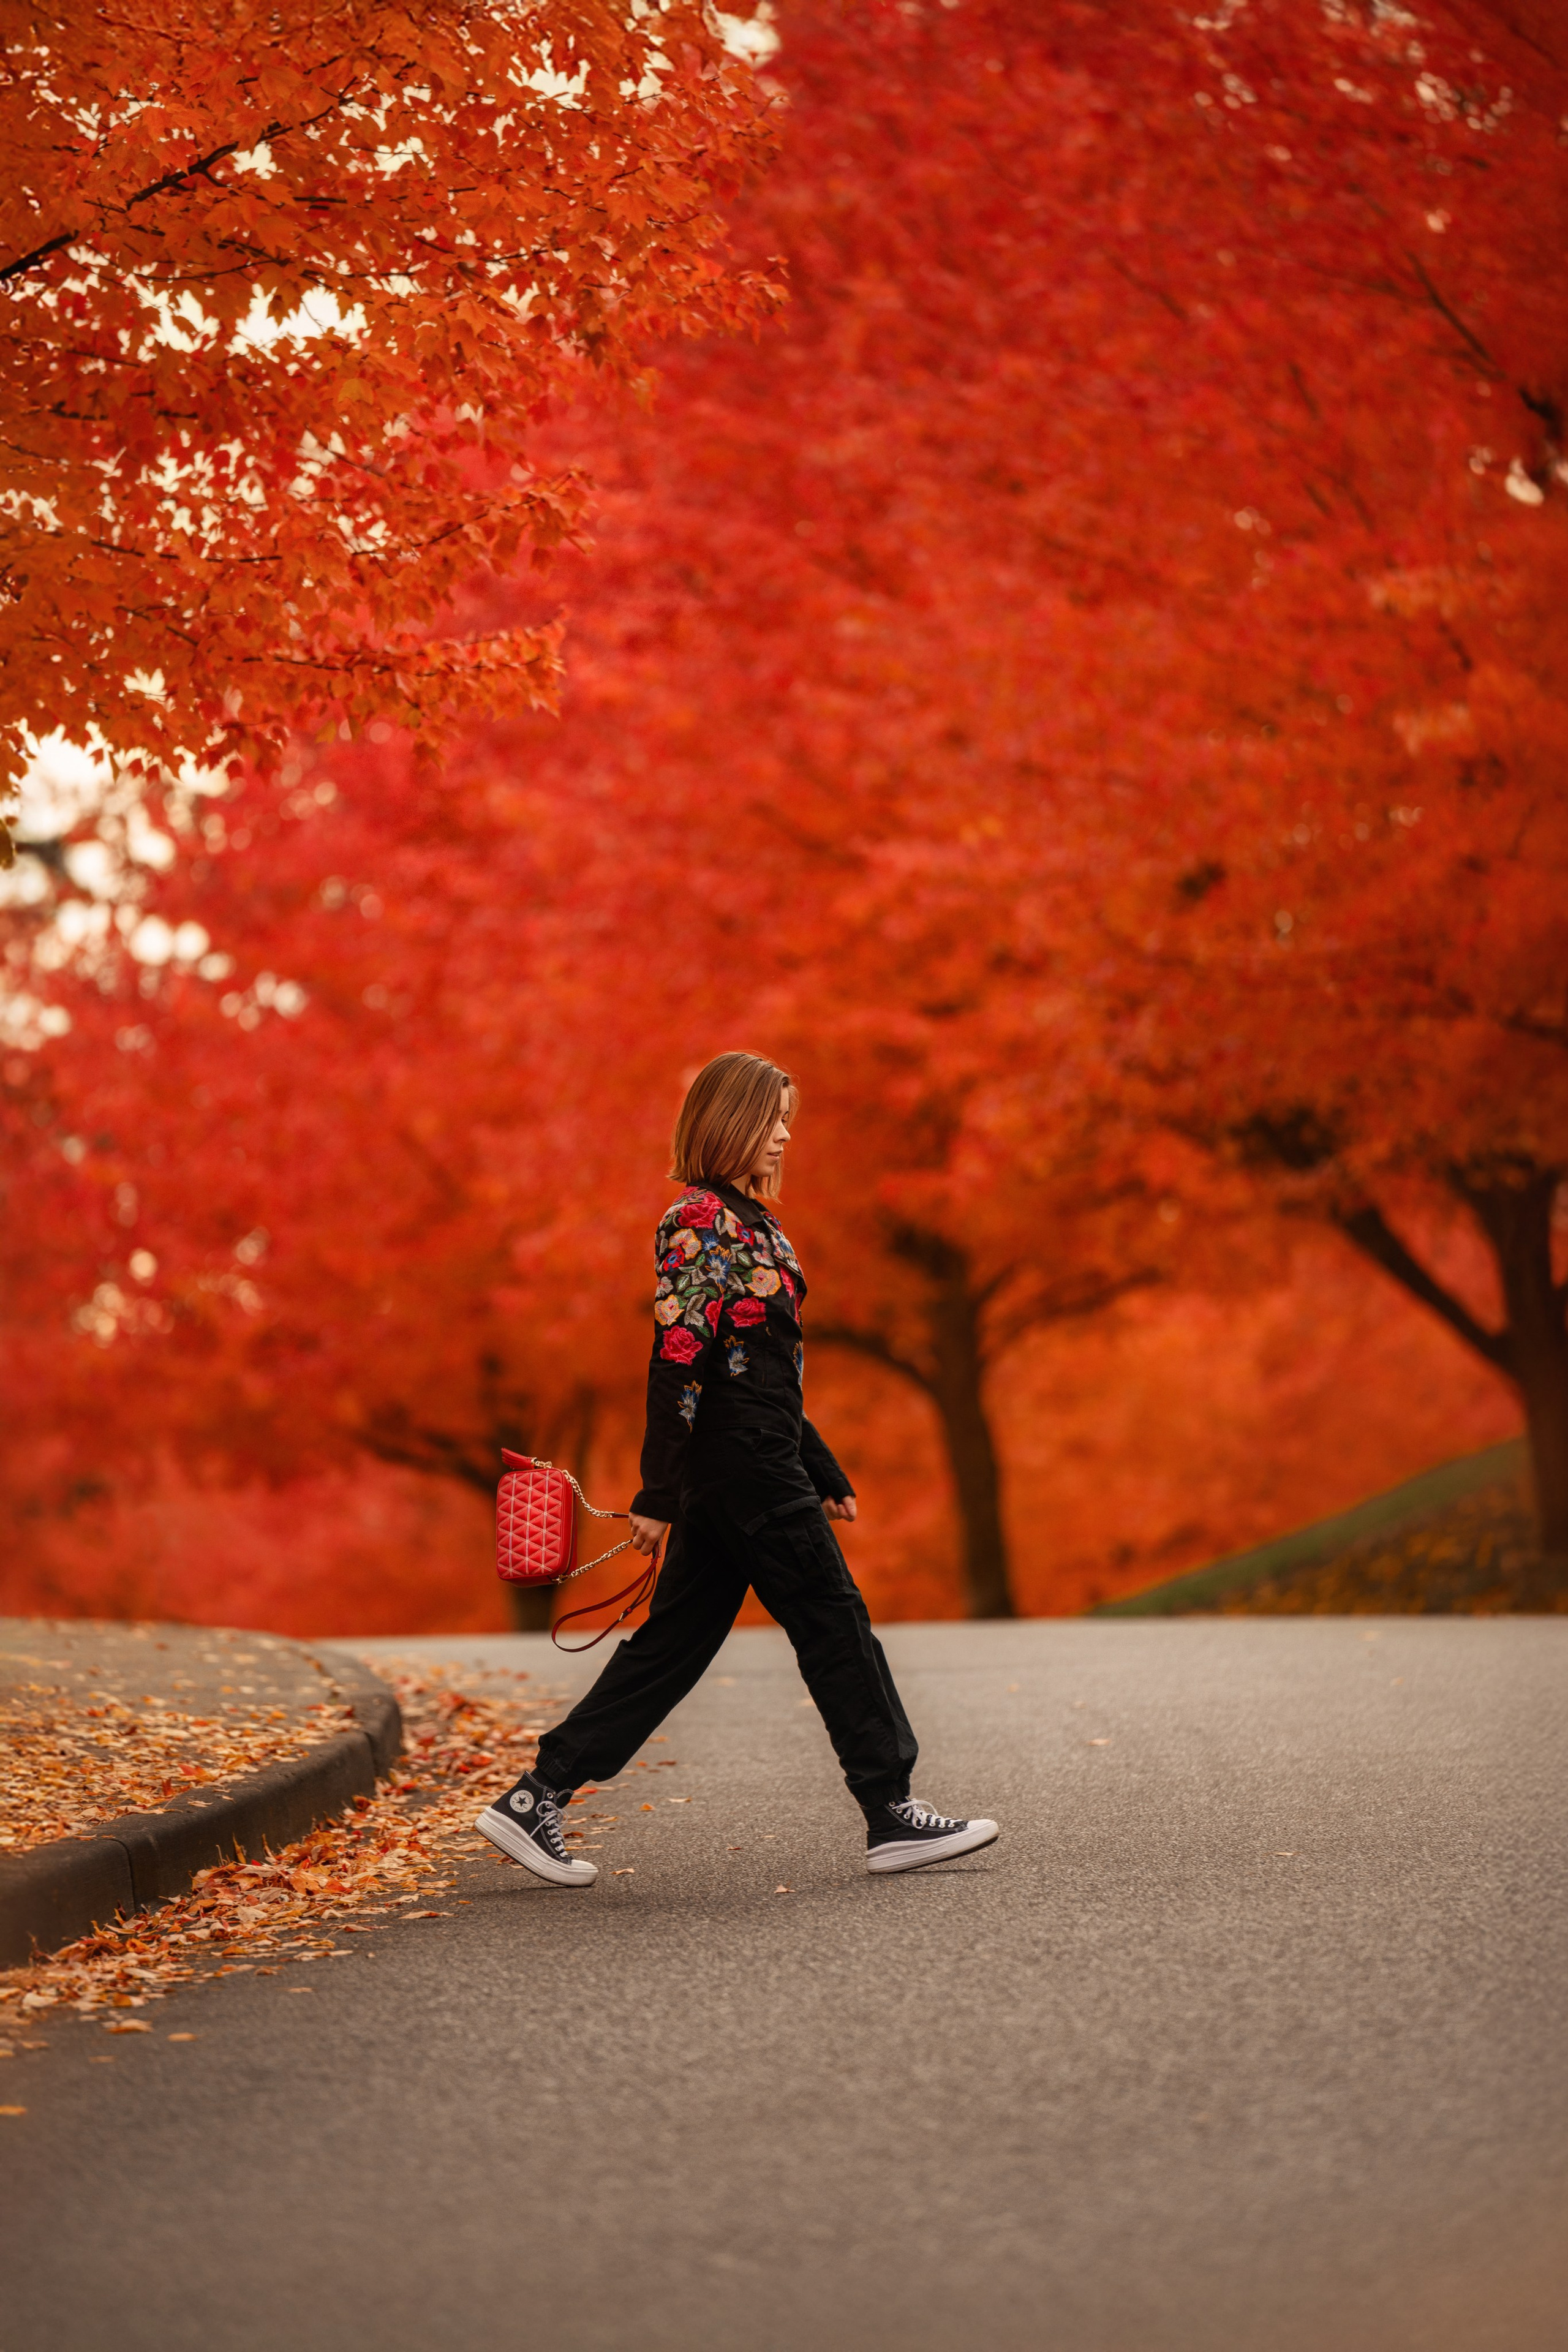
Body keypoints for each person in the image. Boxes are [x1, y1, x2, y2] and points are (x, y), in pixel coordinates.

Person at [475, 1050, 1000, 1887]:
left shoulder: (755, 1226)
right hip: (742, 1473)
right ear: (731, 1123)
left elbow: (763, 1368)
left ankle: (536, 1798)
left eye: (789, 1117)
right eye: (773, 1117)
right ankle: (890, 1811)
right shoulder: (697, 1220)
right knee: (834, 1622)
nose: (787, 1134)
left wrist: (821, 1465)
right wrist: (658, 1489)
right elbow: (680, 1356)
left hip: (750, 1463)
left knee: (674, 1645)